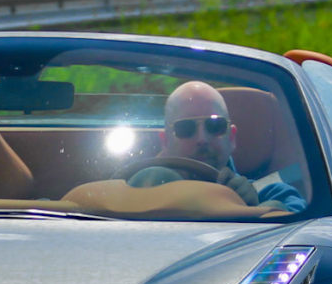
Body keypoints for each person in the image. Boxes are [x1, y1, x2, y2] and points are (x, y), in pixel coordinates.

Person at [126, 81, 308, 212]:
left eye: (215, 126)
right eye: (186, 128)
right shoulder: (134, 190)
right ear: (165, 141)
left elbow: (299, 225)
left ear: (232, 137)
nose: (202, 139)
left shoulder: (272, 194)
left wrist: (253, 210)